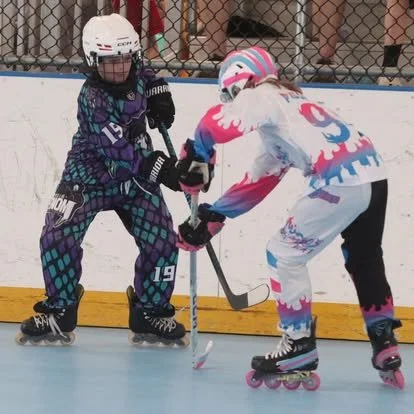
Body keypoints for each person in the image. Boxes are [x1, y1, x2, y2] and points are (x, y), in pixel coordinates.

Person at [176, 46, 405, 388]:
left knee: (283, 253)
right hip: (372, 175)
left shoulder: (261, 95)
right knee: (364, 258)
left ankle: (297, 345)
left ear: (241, 83)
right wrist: (215, 214)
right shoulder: (287, 106)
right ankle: (384, 342)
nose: (230, 102)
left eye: (230, 95)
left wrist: (198, 154)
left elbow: (213, 125)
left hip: (339, 180)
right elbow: (261, 178)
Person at [16, 13, 190, 348]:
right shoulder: (91, 98)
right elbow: (121, 154)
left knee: (162, 242)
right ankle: (60, 310)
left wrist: (159, 92)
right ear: (94, 61)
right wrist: (165, 170)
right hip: (89, 176)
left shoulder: (135, 70)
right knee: (56, 237)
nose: (121, 68)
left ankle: (150, 312)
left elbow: (147, 75)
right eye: (111, 62)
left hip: (137, 180)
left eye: (127, 59)